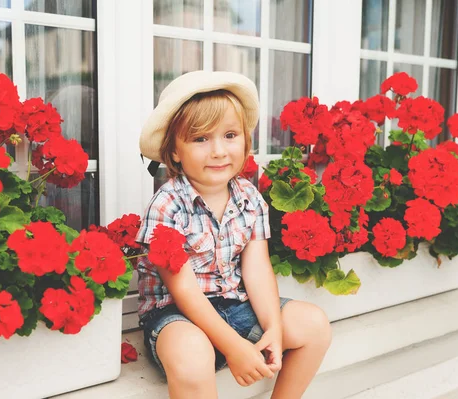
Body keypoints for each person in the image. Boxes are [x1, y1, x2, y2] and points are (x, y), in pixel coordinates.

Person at [136, 70, 332, 399]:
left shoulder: (249, 197)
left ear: (245, 141)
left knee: (314, 324)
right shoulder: (167, 205)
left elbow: (257, 269)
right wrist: (234, 348)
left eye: (230, 135)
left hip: (235, 306)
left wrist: (272, 328)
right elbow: (182, 289)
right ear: (174, 152)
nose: (218, 151)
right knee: (191, 354)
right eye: (201, 139)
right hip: (177, 315)